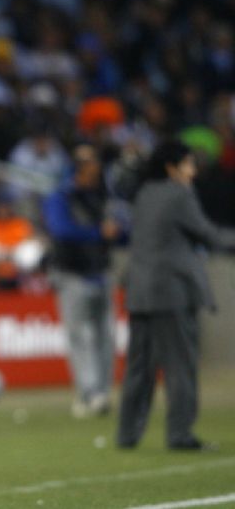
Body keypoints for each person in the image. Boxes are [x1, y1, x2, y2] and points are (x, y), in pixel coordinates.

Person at [117, 141, 227, 451]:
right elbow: (208, 233)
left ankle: (127, 435)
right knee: (181, 365)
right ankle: (180, 434)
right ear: (171, 168)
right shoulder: (180, 194)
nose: (192, 172)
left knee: (139, 369)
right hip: (172, 292)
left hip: (140, 291)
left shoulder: (143, 193)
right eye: (188, 165)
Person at [43, 145, 122, 418]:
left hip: (101, 271)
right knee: (79, 336)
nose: (94, 175)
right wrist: (99, 232)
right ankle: (88, 392)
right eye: (89, 170)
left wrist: (116, 232)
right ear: (78, 170)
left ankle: (101, 391)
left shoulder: (103, 197)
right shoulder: (61, 197)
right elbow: (61, 230)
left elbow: (120, 231)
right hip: (72, 274)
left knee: (105, 336)